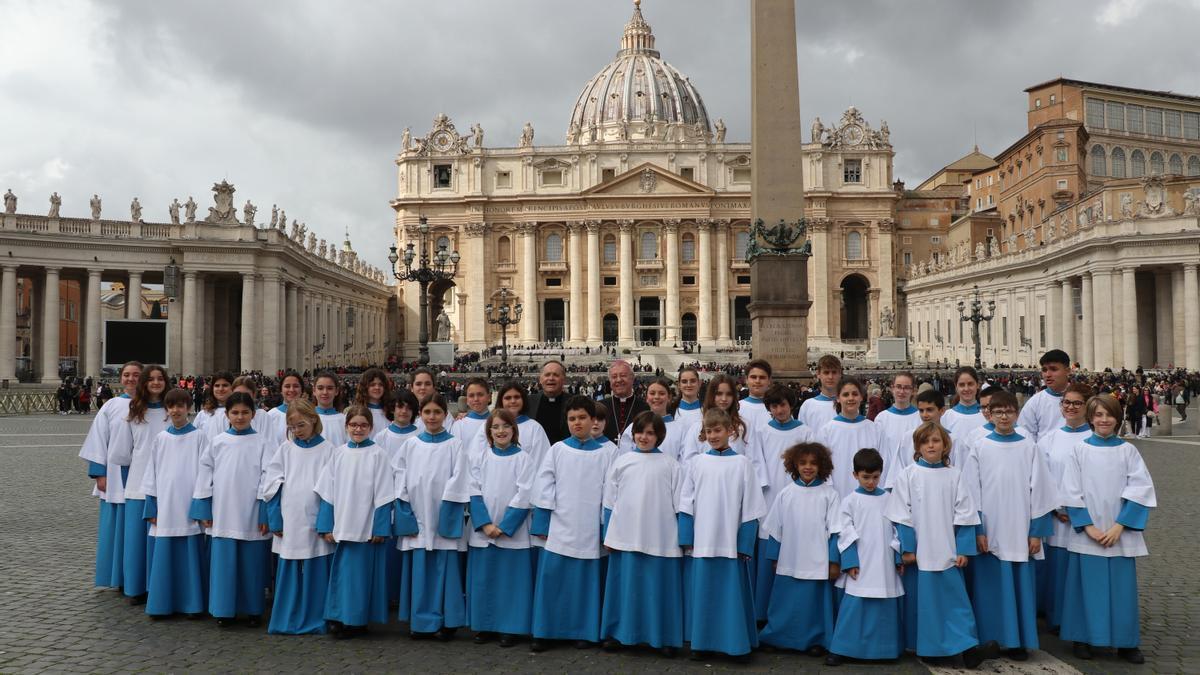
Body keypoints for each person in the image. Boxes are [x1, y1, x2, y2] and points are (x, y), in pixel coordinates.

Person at [1059, 394, 1156, 664]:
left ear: (1117, 418)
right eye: (1098, 415)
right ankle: (1083, 638)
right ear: (1090, 418)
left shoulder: (1128, 451)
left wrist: (1119, 526)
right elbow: (1070, 489)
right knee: (1086, 589)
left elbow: (1140, 490)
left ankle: (1126, 643)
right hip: (1089, 533)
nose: (1104, 420)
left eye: (1109, 415)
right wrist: (1087, 526)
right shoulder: (1079, 450)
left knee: (1121, 592)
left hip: (1118, 533)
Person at [961, 389, 1057, 660]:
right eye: (998, 411)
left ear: (1017, 414)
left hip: (1019, 527)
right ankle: (992, 639)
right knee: (990, 588)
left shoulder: (1029, 446)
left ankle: (1018, 641)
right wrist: (977, 530)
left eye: (1009, 411)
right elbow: (971, 492)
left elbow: (1040, 492)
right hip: (990, 529)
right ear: (989, 415)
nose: (1004, 416)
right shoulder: (980, 447)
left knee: (1020, 587)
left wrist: (1036, 531)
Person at [884, 422, 989, 669]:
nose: (931, 445)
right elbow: (901, 514)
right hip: (921, 553)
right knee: (927, 604)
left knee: (956, 601)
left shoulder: (955, 475)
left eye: (936, 441)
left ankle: (968, 646)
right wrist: (908, 549)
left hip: (948, 549)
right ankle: (931, 649)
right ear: (918, 447)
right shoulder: (908, 475)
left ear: (945, 446)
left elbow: (964, 513)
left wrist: (963, 548)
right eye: (926, 441)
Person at [529, 396, 619, 651]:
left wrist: (607, 528)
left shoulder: (609, 452)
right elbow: (544, 487)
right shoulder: (557, 450)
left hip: (591, 527)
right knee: (554, 579)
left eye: (582, 418)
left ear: (593, 420)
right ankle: (546, 631)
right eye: (572, 419)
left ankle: (584, 630)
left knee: (585, 584)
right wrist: (542, 524)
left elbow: (612, 494)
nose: (577, 423)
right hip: (561, 524)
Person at [678, 408, 766, 662]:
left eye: (718, 430)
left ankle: (735, 644)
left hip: (730, 542)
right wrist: (687, 538)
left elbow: (751, 507)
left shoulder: (742, 464)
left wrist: (745, 544)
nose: (713, 435)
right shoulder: (696, 463)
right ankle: (702, 642)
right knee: (703, 592)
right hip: (703, 540)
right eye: (709, 431)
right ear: (703, 435)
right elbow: (686, 502)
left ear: (730, 431)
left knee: (731, 594)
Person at [446, 409, 536, 648]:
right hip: (483, 531)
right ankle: (484, 625)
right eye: (495, 427)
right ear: (489, 432)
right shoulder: (479, 457)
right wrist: (485, 524)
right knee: (483, 581)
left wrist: (505, 526)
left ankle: (510, 627)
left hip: (512, 533)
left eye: (506, 426)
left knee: (511, 583)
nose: (501, 431)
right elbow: (472, 490)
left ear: (514, 430)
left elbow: (525, 493)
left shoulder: (523, 459)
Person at [600, 411, 684, 657]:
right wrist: (609, 535)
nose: (644, 437)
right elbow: (609, 502)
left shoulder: (671, 465)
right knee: (626, 589)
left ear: (659, 436)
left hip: (661, 536)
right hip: (625, 535)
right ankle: (620, 634)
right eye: (640, 432)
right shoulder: (622, 461)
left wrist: (682, 539)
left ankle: (664, 637)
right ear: (632, 434)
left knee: (659, 589)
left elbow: (680, 505)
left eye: (650, 433)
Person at [189, 392, 272, 627]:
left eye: (245, 412)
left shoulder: (263, 443)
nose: (240, 416)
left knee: (251, 563)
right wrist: (203, 507)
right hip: (223, 511)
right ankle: (224, 609)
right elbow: (204, 475)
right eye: (235, 412)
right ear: (227, 415)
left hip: (252, 512)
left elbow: (270, 477)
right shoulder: (217, 442)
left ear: (253, 415)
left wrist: (264, 507)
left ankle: (253, 609)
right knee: (224, 564)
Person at [757, 442, 843, 656]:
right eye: (803, 462)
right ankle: (777, 637)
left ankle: (815, 640)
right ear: (794, 464)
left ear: (822, 466)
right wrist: (774, 557)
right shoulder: (786, 493)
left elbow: (835, 531)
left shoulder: (829, 494)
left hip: (817, 560)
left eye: (813, 463)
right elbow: (775, 528)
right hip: (790, 558)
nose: (808, 467)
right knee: (785, 603)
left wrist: (833, 561)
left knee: (813, 606)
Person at [316, 406, 394, 639]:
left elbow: (384, 493)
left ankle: (357, 620)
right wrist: (325, 525)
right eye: (353, 425)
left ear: (371, 427)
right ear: (346, 426)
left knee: (361, 577)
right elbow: (327, 491)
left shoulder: (378, 454)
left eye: (363, 425)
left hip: (366, 526)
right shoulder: (338, 453)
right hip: (342, 522)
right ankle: (338, 616)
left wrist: (380, 527)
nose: (358, 429)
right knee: (341, 574)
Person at [395, 394, 467, 640]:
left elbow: (460, 479)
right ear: (420, 415)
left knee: (444, 570)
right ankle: (420, 621)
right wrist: (405, 514)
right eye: (427, 412)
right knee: (420, 571)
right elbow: (400, 479)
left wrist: (447, 511)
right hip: (417, 514)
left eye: (437, 412)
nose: (432, 417)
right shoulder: (411, 445)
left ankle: (448, 621)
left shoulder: (455, 445)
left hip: (442, 514)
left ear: (445, 415)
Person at [261, 399, 335, 635]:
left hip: (315, 518)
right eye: (292, 427)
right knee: (290, 566)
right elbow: (272, 486)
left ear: (313, 419)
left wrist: (325, 522)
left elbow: (331, 489)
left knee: (316, 566)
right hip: (290, 518)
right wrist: (275, 519)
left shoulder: (329, 450)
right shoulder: (285, 449)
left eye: (301, 425)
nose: (297, 431)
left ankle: (315, 617)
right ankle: (287, 617)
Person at [826, 449, 906, 667]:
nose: (871, 482)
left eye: (875, 477)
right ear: (855, 475)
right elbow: (844, 531)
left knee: (883, 604)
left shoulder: (889, 499)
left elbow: (897, 530)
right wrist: (850, 561)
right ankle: (842, 648)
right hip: (860, 562)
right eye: (865, 477)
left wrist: (898, 559)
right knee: (854, 605)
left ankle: (885, 650)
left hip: (884, 562)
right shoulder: (850, 501)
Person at [749, 383, 813, 622]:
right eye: (774, 406)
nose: (779, 410)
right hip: (769, 499)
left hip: (799, 499)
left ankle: (793, 617)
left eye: (783, 405)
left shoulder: (805, 432)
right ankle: (762, 615)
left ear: (791, 405)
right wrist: (767, 488)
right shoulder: (762, 432)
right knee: (768, 561)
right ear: (769, 409)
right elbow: (756, 464)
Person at [142, 388, 207, 618]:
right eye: (171, 406)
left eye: (181, 406)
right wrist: (151, 504)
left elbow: (205, 474)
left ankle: (192, 604)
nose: (176, 410)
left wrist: (201, 505)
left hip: (189, 504)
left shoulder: (200, 437)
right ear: (167, 410)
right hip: (166, 506)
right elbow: (151, 474)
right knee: (165, 555)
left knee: (189, 555)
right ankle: (162, 603)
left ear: (188, 408)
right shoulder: (161, 438)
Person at [78, 360, 143, 589]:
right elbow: (98, 439)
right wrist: (99, 473)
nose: (130, 379)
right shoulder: (111, 405)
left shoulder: (155, 406)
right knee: (115, 529)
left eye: (136, 374)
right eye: (126, 374)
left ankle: (138, 577)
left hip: (144, 477)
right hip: (114, 477)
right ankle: (117, 576)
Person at [109, 365, 170, 605]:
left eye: (160, 379)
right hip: (138, 483)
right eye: (151, 379)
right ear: (144, 383)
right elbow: (122, 454)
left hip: (167, 485)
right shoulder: (134, 411)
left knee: (160, 540)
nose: (155, 383)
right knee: (137, 541)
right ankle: (136, 588)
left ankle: (159, 587)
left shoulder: (172, 409)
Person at [1035, 383, 1093, 632]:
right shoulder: (1049, 440)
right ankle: (1057, 616)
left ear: (1087, 407)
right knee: (1058, 570)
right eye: (1066, 402)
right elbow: (1041, 478)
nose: (1070, 407)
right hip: (1057, 515)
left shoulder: (1095, 438)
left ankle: (1081, 618)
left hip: (1088, 516)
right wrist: (1057, 508)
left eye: (1076, 403)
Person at [372, 387, 421, 607]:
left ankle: (405, 592)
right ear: (392, 409)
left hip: (413, 499)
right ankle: (388, 593)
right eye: (400, 406)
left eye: (409, 407)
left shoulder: (420, 435)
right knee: (389, 548)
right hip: (387, 497)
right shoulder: (381, 437)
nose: (403, 411)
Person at [816, 376, 880, 497]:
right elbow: (823, 467)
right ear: (838, 398)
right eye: (845, 395)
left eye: (855, 394)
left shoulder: (874, 428)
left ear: (861, 397)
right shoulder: (827, 431)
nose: (850, 398)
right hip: (838, 493)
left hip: (869, 493)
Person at [679, 373, 754, 464]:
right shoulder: (697, 427)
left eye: (729, 394)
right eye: (719, 394)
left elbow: (753, 461)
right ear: (711, 395)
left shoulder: (744, 426)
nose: (724, 398)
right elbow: (688, 462)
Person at [873, 372, 921, 488]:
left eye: (906, 388)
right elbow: (877, 450)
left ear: (913, 390)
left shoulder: (920, 418)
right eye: (898, 387)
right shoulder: (882, 418)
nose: (902, 391)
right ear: (892, 388)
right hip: (886, 477)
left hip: (913, 477)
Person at [617, 377, 681, 459]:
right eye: (652, 393)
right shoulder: (634, 427)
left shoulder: (680, 429)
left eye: (661, 393)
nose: (656, 397)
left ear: (669, 398)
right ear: (646, 398)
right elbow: (625, 459)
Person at [1017, 350, 1071, 442]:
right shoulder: (1034, 402)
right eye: (1044, 370)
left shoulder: (1085, 399)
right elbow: (1025, 435)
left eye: (1053, 369)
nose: (1047, 375)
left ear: (1068, 371)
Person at [601, 360, 649, 442]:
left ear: (632, 379)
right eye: (614, 377)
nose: (619, 380)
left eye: (623, 375)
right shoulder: (600, 407)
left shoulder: (645, 408)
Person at [525, 361, 570, 444]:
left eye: (556, 375)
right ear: (540, 379)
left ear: (563, 379)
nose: (551, 378)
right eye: (547, 375)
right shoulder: (528, 402)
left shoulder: (575, 402)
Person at [799, 355, 842, 432]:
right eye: (826, 372)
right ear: (818, 374)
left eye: (834, 372)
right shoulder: (808, 405)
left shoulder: (847, 404)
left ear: (840, 374)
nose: (830, 377)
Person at [264, 371, 307, 448]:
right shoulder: (271, 415)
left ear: (302, 390)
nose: (291, 390)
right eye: (287, 386)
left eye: (296, 386)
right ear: (281, 390)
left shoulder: (310, 415)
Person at [940, 367, 985, 439]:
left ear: (977, 385)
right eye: (962, 385)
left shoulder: (987, 415)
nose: (966, 389)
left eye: (970, 384)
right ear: (956, 387)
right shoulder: (946, 417)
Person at [450, 377, 492, 447]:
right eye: (471, 395)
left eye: (480, 394)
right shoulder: (459, 425)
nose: (476, 399)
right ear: (467, 400)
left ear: (489, 397)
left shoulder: (498, 423)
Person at [354, 368, 393, 434]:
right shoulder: (355, 412)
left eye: (380, 384)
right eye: (372, 384)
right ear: (365, 387)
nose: (377, 387)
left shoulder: (391, 411)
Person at [313, 371, 347, 447]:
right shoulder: (307, 418)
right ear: (314, 391)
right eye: (320, 388)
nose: (325, 392)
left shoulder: (344, 420)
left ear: (336, 391)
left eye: (330, 388)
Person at [739, 359, 773, 431]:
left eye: (762, 377)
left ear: (769, 381)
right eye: (753, 377)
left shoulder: (779, 410)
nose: (757, 381)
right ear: (746, 380)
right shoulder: (736, 408)